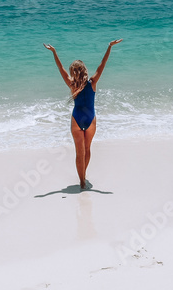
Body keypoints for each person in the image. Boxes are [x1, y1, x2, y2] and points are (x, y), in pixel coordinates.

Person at [43, 39, 122, 190]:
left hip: (76, 120)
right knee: (87, 150)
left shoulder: (72, 85)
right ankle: (84, 175)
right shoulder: (93, 82)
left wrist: (54, 52)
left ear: (73, 72)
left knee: (79, 153)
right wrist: (109, 47)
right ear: (85, 70)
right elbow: (102, 65)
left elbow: (60, 68)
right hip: (90, 119)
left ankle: (82, 181)